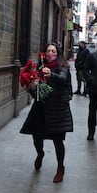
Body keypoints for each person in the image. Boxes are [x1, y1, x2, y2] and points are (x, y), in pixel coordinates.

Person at [20, 43, 73, 183]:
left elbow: (62, 79)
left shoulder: (63, 67)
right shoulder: (40, 67)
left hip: (57, 109)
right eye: (48, 51)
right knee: (36, 137)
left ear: (58, 53)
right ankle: (40, 153)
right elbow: (35, 90)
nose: (50, 53)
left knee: (57, 140)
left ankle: (60, 168)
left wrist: (51, 74)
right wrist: (31, 86)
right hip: (41, 108)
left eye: (53, 51)